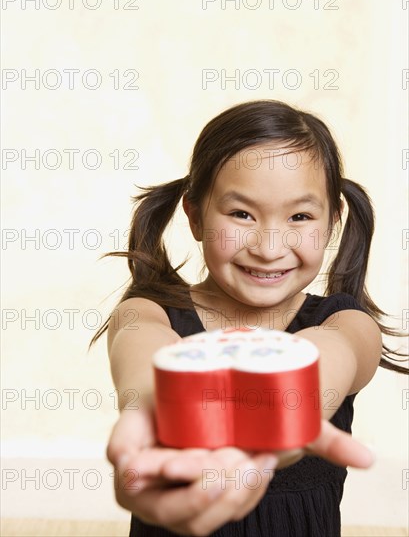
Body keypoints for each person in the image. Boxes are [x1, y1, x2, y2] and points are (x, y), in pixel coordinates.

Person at [89, 99, 408, 537]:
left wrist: (278, 410)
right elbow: (142, 348)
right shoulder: (149, 312)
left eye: (300, 216)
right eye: (241, 214)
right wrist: (160, 409)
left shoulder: (346, 325)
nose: (269, 246)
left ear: (333, 221)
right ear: (196, 215)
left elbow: (331, 353)